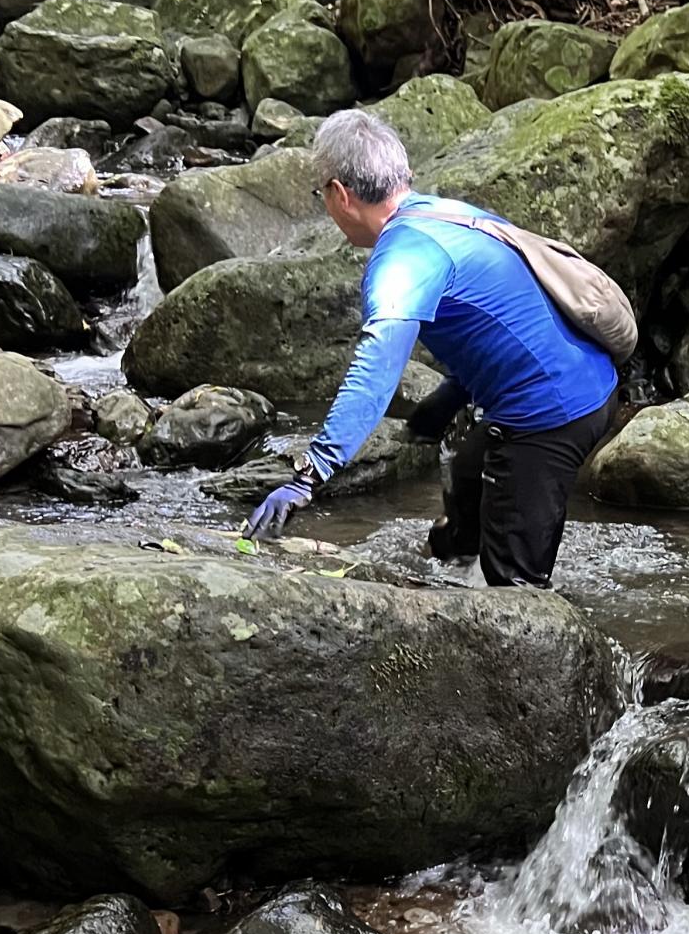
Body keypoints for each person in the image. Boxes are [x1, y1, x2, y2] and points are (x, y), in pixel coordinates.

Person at [243, 110, 621, 589]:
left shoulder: (401, 259)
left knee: (517, 592)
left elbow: (374, 372)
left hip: (552, 413)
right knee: (467, 474)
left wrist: (310, 474)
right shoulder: (449, 216)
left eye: (322, 195)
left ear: (340, 194)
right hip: (590, 379)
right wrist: (450, 396)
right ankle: (454, 573)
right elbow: (503, 322)